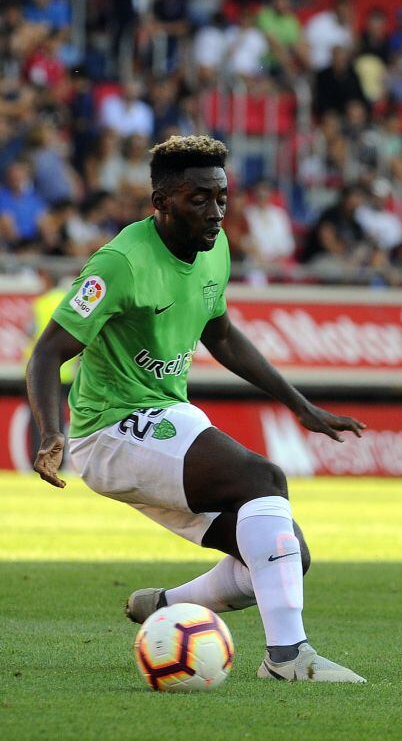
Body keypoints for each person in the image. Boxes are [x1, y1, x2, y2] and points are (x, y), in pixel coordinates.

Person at [26, 135, 367, 683]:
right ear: (160, 201)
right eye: (198, 199)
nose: (215, 212)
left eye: (222, 198)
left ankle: (166, 605)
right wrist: (50, 435)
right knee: (263, 478)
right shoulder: (120, 263)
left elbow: (223, 336)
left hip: (164, 414)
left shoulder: (216, 248)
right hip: (110, 429)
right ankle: (288, 658)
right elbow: (46, 354)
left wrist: (299, 405)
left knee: (283, 556)